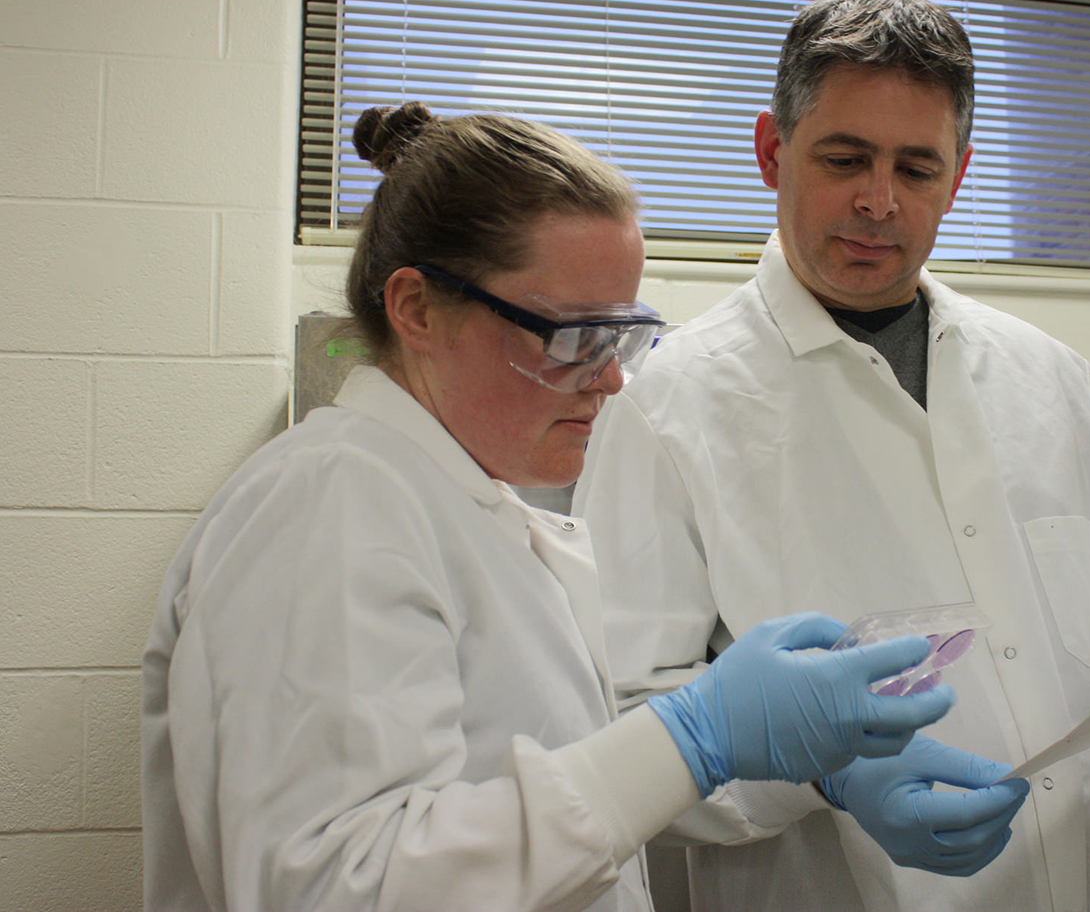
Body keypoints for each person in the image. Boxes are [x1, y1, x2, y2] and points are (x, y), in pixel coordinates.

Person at [139, 102, 1029, 912]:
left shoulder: (472, 509)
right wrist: (695, 734)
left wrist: (809, 767)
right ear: (415, 307)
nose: (609, 377)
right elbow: (341, 887)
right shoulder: (328, 500)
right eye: (570, 336)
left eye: (620, 335)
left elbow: (546, 810)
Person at [574, 0, 1090, 911]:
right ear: (772, 151)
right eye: (844, 159)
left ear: (958, 176)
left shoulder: (1052, 380)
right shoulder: (668, 406)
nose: (879, 201)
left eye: (917, 170)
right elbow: (623, 727)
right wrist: (821, 777)